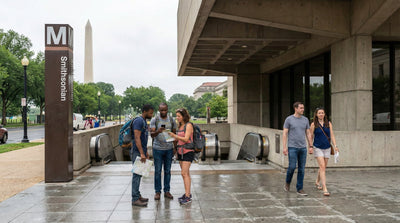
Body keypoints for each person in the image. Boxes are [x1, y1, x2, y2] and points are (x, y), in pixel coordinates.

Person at [283, 102, 313, 196]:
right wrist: (284, 147)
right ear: (295, 108)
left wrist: (310, 146)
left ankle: (299, 188)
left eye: (303, 108)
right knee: (292, 167)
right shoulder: (289, 119)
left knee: (302, 169)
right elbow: (285, 134)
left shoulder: (305, 120)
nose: (302, 110)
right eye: (301, 108)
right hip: (292, 147)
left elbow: (308, 133)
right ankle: (288, 182)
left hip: (303, 148)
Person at [310, 107, 339, 196]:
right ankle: (325, 188)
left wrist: (335, 145)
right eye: (319, 113)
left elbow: (332, 135)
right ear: (316, 114)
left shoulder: (328, 123)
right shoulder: (313, 124)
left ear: (324, 114)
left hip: (327, 147)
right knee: (322, 166)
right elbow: (311, 136)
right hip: (317, 147)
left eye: (322, 113)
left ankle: (317, 181)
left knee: (323, 167)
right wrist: (310, 146)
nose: (321, 114)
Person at [150, 102, 176, 200]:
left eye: (165, 110)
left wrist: (175, 148)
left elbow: (174, 134)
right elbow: (152, 134)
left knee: (167, 171)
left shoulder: (171, 120)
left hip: (169, 149)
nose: (163, 112)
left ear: (167, 109)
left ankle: (167, 191)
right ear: (159, 110)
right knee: (157, 171)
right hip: (157, 149)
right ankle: (157, 191)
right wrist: (158, 131)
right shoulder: (155, 119)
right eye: (161, 110)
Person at [168, 108, 194, 205]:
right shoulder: (180, 126)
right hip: (180, 151)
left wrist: (174, 136)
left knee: (184, 173)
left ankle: (188, 196)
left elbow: (186, 139)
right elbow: (179, 139)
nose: (177, 118)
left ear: (184, 116)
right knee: (184, 174)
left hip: (188, 151)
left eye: (179, 116)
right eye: (176, 116)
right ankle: (187, 193)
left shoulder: (189, 125)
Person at [131, 104, 154, 207]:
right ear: (144, 111)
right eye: (150, 113)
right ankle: (135, 198)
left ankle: (137, 195)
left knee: (139, 174)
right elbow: (137, 138)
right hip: (137, 152)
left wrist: (146, 152)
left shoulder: (143, 121)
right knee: (136, 175)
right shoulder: (139, 121)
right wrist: (141, 153)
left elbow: (143, 138)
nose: (151, 115)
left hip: (141, 151)